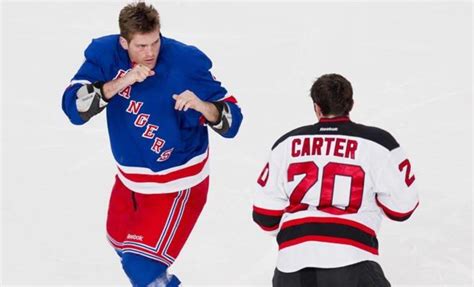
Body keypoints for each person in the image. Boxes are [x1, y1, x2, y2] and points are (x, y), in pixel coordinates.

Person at [62, 2, 243, 286]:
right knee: (121, 243)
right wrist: (121, 82)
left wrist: (203, 106)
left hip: (178, 185)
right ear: (124, 42)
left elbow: (233, 121)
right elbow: (74, 108)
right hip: (129, 181)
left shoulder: (186, 61)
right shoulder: (105, 54)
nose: (150, 53)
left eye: (155, 42)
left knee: (141, 267)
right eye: (141, 46)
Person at [253, 73, 419, 287]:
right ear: (351, 104)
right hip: (351, 262)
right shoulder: (379, 143)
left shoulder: (285, 144)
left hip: (291, 270)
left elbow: (265, 215)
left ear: (317, 107)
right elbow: (402, 208)